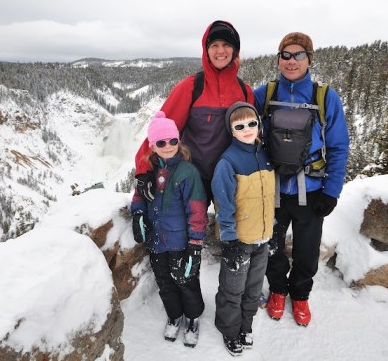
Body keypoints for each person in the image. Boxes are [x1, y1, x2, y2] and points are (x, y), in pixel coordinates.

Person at [253, 32, 350, 327]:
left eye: (298, 55)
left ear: (309, 59)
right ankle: (278, 291)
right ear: (279, 59)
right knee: (272, 247)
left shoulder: (324, 97)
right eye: (286, 55)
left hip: (312, 190)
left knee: (307, 252)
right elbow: (242, 130)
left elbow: (338, 146)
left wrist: (332, 191)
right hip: (273, 190)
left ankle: (300, 295)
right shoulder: (265, 94)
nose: (291, 61)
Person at [135, 20, 254, 205]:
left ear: (235, 50)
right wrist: (143, 171)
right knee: (189, 231)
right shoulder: (191, 88)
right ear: (206, 51)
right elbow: (161, 129)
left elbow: (253, 137)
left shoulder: (244, 91)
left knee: (232, 233)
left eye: (227, 45)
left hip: (231, 177)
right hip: (194, 177)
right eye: (214, 45)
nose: (220, 51)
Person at [130, 110, 208, 348]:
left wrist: (195, 246)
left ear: (178, 141)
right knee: (165, 281)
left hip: (180, 242)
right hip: (157, 241)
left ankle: (192, 318)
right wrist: (138, 213)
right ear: (153, 146)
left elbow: (197, 212)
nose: (168, 146)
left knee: (186, 280)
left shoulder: (187, 173)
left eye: (173, 140)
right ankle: (175, 315)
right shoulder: (150, 172)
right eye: (161, 142)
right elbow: (139, 195)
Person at [211, 102, 275, 356]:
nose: (247, 129)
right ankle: (229, 329)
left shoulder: (265, 154)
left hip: (263, 237)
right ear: (232, 130)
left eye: (252, 123)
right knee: (232, 288)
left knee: (254, 287)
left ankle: (245, 325)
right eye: (240, 126)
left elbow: (269, 196)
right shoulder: (227, 162)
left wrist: (272, 227)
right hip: (240, 238)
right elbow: (223, 203)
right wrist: (229, 240)